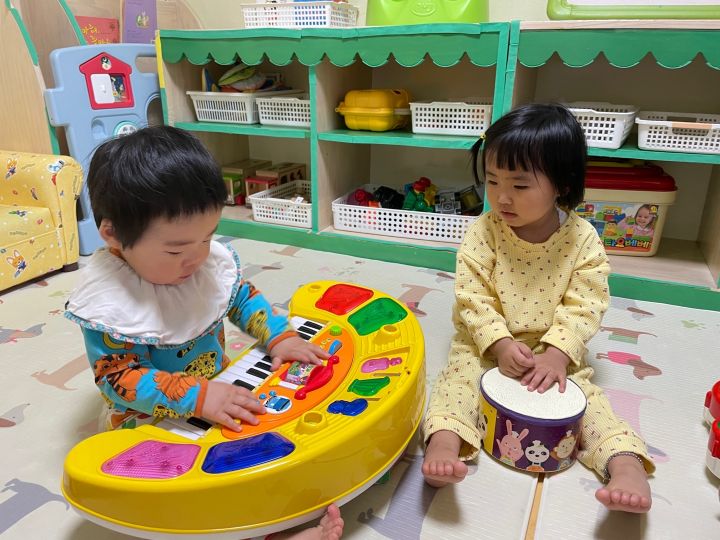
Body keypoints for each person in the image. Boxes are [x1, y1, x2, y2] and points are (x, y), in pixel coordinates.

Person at [65, 126, 343, 540]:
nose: (197, 258)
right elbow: (119, 378)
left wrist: (279, 336)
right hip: (151, 419)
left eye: (208, 238)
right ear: (114, 235)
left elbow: (240, 296)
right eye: (176, 250)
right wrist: (196, 396)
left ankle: (276, 514)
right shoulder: (109, 300)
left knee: (273, 440)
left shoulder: (199, 259)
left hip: (219, 387)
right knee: (181, 499)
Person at [421, 104, 654, 513]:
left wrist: (559, 354)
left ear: (562, 184)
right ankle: (444, 444)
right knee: (457, 384)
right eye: (493, 180)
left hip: (553, 349)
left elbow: (586, 304)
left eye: (520, 185)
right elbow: (473, 297)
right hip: (484, 344)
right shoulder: (483, 231)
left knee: (588, 401)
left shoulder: (582, 240)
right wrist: (499, 344)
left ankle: (625, 465)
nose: (502, 197)